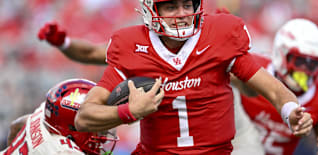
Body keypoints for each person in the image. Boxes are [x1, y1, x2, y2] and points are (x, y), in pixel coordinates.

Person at [41, 0, 312, 154]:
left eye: (187, 3)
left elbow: (274, 89)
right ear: (149, 8)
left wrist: (291, 112)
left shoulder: (220, 34)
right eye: (170, 6)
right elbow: (85, 117)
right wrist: (129, 111)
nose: (182, 12)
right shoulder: (132, 46)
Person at [39, 11, 265, 154]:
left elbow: (251, 88)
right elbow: (92, 53)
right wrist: (65, 43)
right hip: (159, 133)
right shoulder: (139, 50)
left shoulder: (213, 49)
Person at [239, 19, 318, 155]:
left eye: (312, 64)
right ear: (280, 53)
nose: (305, 70)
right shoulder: (252, 68)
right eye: (299, 60)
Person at [2, 78, 163, 155]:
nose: (102, 130)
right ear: (72, 128)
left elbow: (16, 125)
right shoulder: (63, 152)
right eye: (92, 120)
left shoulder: (48, 116)